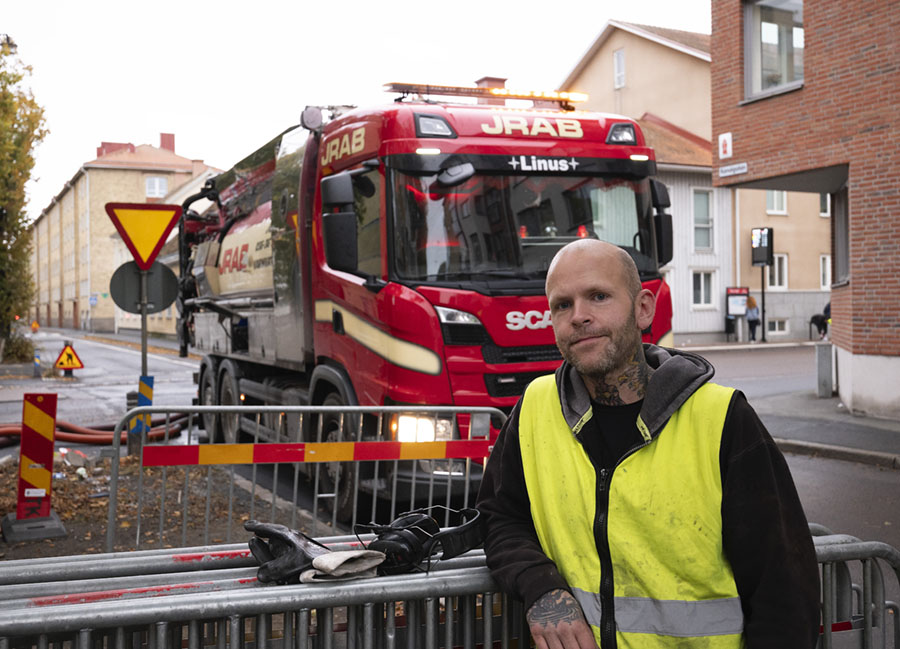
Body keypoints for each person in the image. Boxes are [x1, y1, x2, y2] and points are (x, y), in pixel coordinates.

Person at [476, 239, 819, 648]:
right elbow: (499, 517)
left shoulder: (722, 418)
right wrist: (542, 588)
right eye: (562, 305)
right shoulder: (534, 408)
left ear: (643, 308)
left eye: (598, 296)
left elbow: (783, 591)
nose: (579, 317)